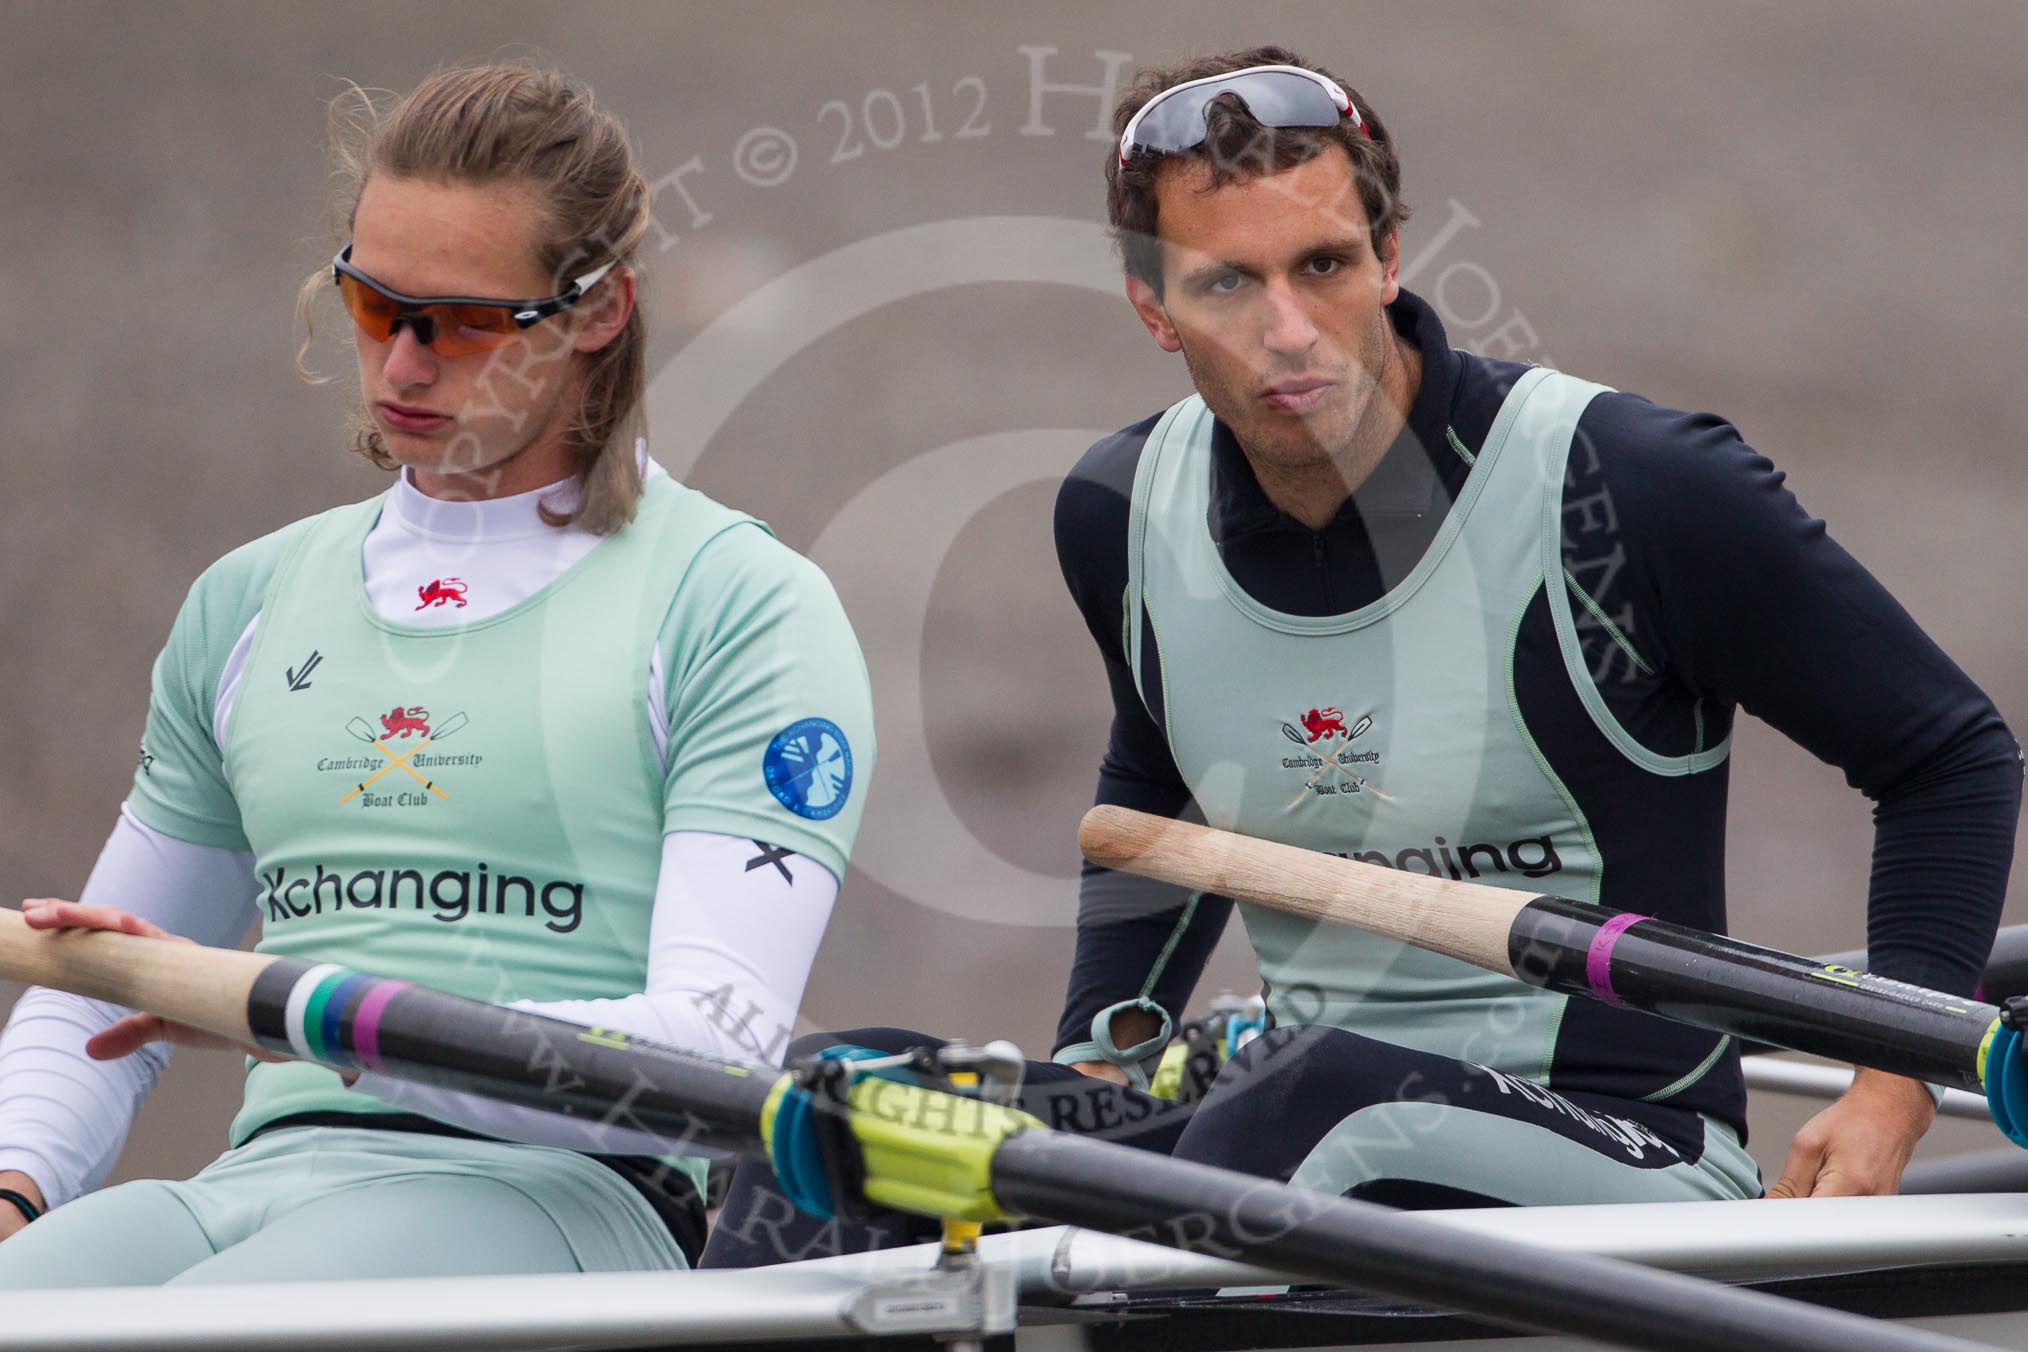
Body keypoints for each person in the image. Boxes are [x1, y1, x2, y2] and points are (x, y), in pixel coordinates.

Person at [1048, 47, 2019, 1206]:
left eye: (1325, 265)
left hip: (1632, 1150)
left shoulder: (1626, 490)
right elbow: (1161, 783)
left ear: (1391, 255)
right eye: (1226, 285)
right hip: (1294, 1128)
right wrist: (1098, 1057)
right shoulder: (1120, 515)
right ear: (1152, 305)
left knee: (1308, 1095)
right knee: (863, 1104)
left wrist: (1892, 1086)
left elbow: (1945, 754)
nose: (1290, 328)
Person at [0, 62, 873, 1285]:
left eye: (461, 322)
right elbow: (91, 987)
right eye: (371, 305)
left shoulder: (738, 606)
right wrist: (15, 1182)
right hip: (259, 1180)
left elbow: (714, 1053)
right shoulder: (248, 601)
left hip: (562, 1200)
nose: (403, 366)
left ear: (600, 311)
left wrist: (307, 1011)